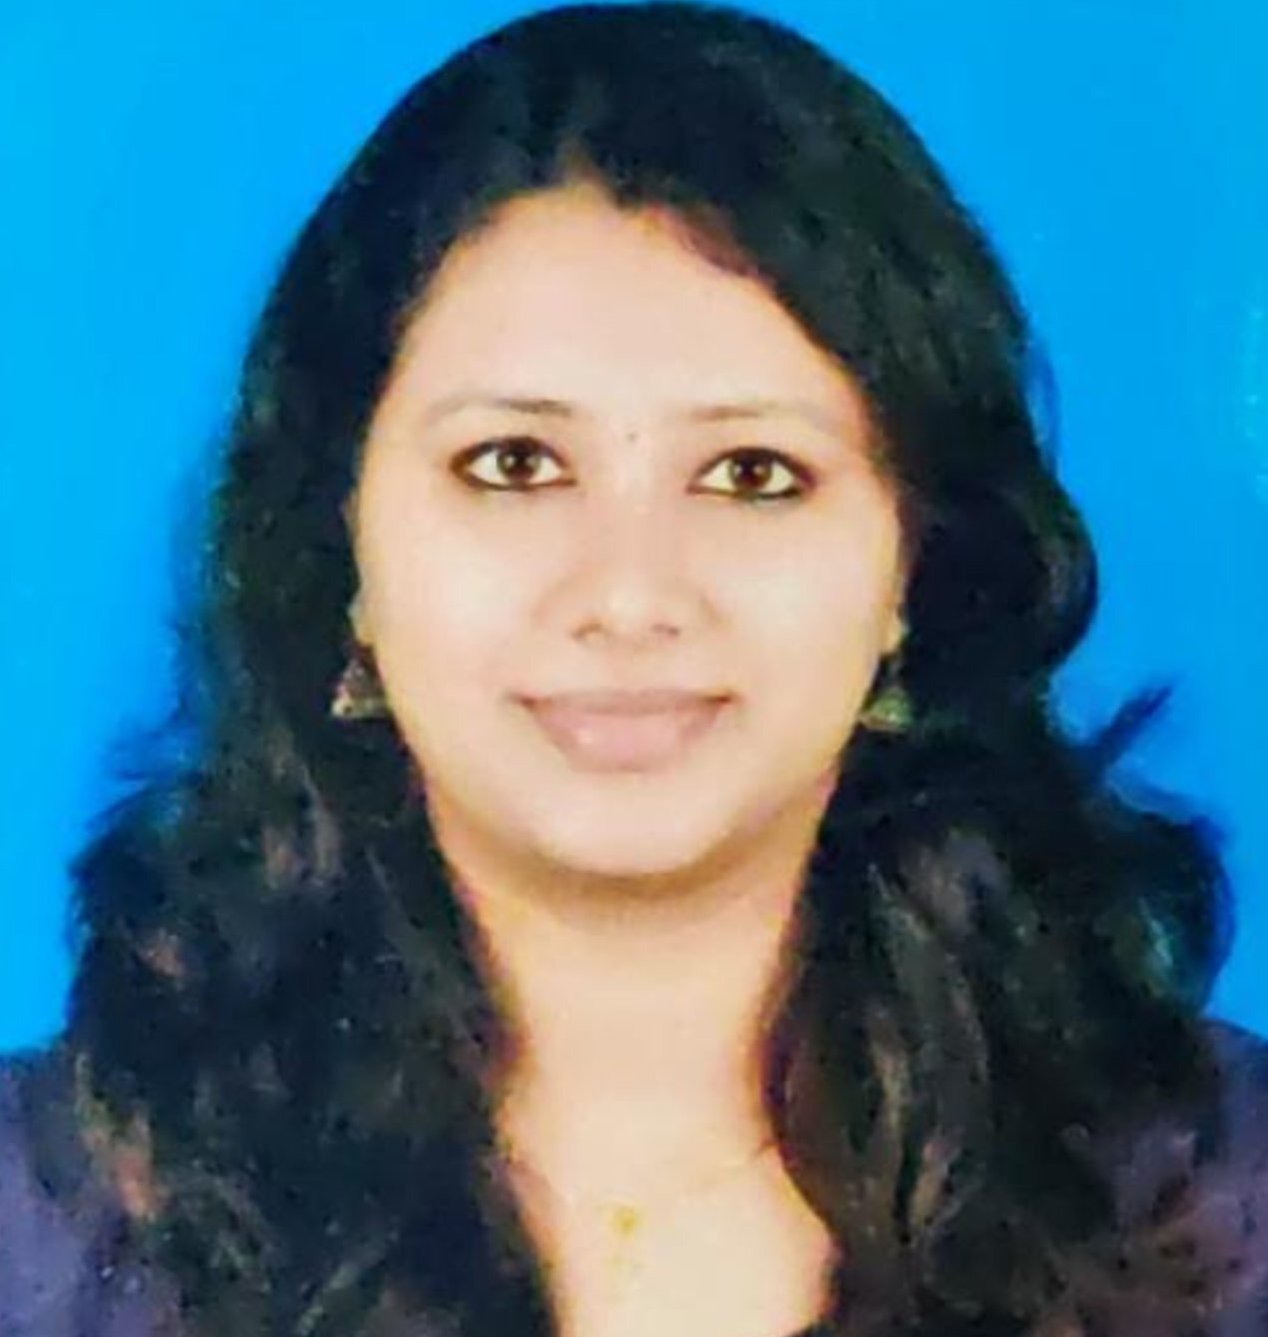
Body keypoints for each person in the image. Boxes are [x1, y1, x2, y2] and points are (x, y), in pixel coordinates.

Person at [2, 3, 1266, 1335]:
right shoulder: (49, 1228)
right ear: (341, 558)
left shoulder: (1218, 1210)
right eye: (513, 464)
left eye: (752, 474)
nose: (629, 594)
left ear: (914, 573)